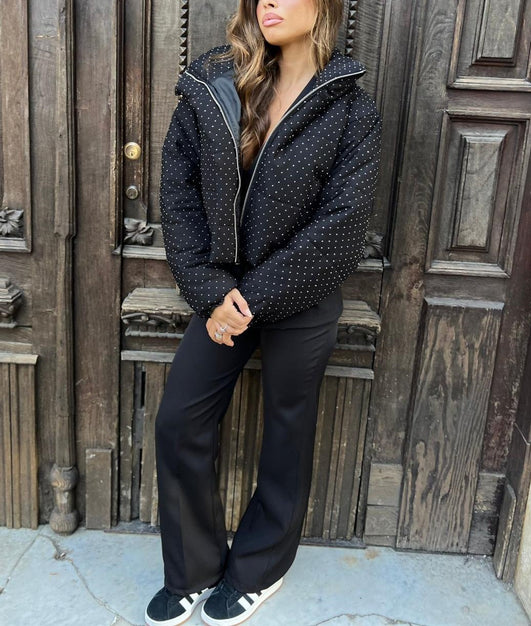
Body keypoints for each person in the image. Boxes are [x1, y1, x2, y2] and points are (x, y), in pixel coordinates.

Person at [145, 0, 382, 624]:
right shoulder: (213, 84)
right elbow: (179, 192)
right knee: (179, 421)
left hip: (301, 295)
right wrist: (208, 290)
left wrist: (249, 300)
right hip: (219, 294)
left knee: (286, 434)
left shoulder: (351, 109)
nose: (268, 2)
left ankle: (259, 568)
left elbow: (343, 224)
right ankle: (193, 568)